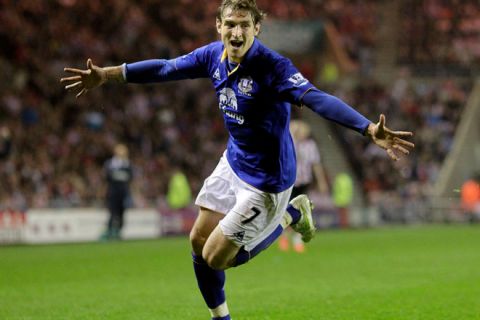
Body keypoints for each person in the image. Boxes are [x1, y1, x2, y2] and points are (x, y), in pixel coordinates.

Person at [61, 1, 414, 318]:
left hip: (267, 181)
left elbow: (315, 97)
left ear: (256, 29)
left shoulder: (273, 67)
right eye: (230, 24)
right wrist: (106, 75)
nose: (237, 31)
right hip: (233, 162)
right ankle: (221, 318)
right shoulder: (212, 56)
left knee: (217, 258)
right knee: (197, 241)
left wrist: (367, 128)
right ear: (219, 26)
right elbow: (166, 68)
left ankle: (291, 213)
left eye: (245, 25)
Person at [279, 120, 329, 253]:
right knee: (286, 210)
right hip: (290, 182)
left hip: (305, 181)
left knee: (301, 211)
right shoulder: (290, 143)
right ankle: (283, 237)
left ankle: (297, 239)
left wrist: (321, 181)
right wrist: (293, 133)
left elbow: (315, 164)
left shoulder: (310, 145)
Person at [100, 143, 133, 240]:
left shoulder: (127, 164)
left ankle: (118, 231)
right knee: (112, 212)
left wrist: (117, 175)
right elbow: (107, 176)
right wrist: (120, 176)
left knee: (122, 212)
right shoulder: (110, 163)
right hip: (113, 192)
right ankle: (110, 231)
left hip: (123, 192)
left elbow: (130, 177)